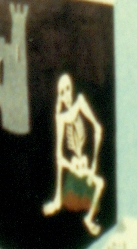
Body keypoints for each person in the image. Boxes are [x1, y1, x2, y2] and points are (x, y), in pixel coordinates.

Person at [42, 73, 106, 236]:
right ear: (59, 96)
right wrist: (71, 165)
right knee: (62, 163)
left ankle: (89, 218)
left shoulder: (80, 102)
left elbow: (97, 127)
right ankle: (57, 200)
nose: (66, 94)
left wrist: (94, 163)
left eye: (67, 89)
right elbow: (58, 154)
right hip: (74, 164)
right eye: (62, 92)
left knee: (100, 183)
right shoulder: (61, 118)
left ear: (72, 88)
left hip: (85, 163)